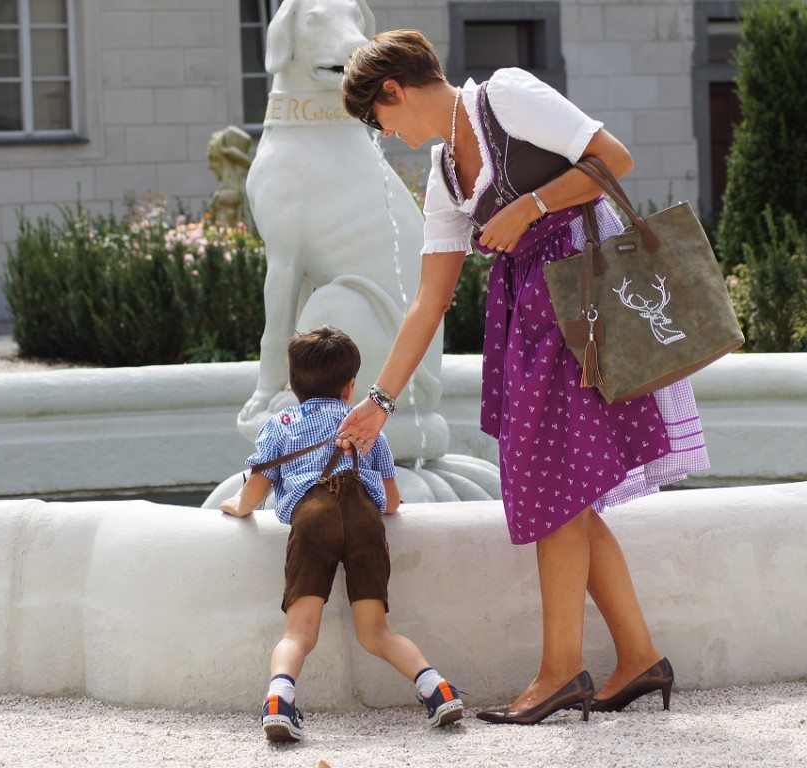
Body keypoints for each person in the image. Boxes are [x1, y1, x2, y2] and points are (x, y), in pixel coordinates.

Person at [337, 30, 709, 723]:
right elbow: (429, 301)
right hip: (530, 328)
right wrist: (381, 402)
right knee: (560, 488)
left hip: (584, 305)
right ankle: (637, 658)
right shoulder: (446, 176)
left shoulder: (505, 96)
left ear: (394, 90)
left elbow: (613, 158)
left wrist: (531, 206)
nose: (391, 136)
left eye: (382, 121)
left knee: (557, 488)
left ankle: (561, 671)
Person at [220, 325, 465, 742]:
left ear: (292, 385)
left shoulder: (279, 424)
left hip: (311, 519)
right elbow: (390, 502)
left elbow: (252, 495)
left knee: (298, 633)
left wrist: (234, 506)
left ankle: (279, 701)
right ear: (351, 387)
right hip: (362, 519)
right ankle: (436, 689)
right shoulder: (367, 426)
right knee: (376, 632)